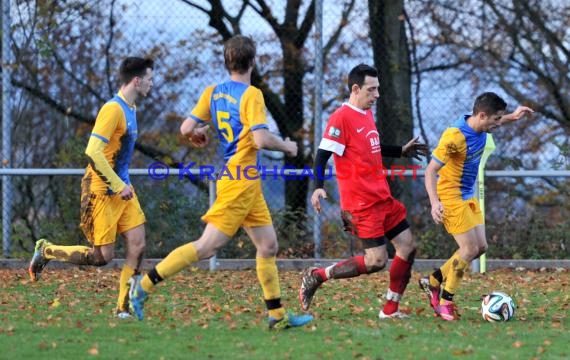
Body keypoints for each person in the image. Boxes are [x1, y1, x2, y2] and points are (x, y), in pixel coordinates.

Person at [128, 35, 313, 330]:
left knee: (268, 245)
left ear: (227, 63)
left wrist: (197, 133)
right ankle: (143, 286)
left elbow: (186, 127)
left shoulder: (213, 92)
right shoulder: (252, 95)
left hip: (245, 182)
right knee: (206, 248)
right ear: (253, 62)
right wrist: (288, 147)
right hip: (238, 181)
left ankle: (277, 316)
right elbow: (261, 139)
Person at [28, 57, 154, 319]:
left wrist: (122, 185)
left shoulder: (131, 109)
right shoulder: (113, 110)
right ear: (137, 80)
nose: (152, 84)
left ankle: (124, 306)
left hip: (122, 190)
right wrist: (118, 185)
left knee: (138, 244)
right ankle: (46, 251)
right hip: (101, 191)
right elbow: (93, 152)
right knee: (102, 257)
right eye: (150, 79)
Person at [299, 64, 428, 319]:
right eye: (372, 89)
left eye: (378, 88)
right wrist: (318, 189)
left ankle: (390, 310)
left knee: (408, 246)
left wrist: (399, 150)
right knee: (376, 261)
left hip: (381, 197)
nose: (377, 94)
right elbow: (321, 156)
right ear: (356, 89)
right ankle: (318, 276)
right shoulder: (341, 118)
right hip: (361, 204)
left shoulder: (366, 113)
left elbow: (372, 147)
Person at [420, 92, 533, 321]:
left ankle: (434, 280)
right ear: (482, 115)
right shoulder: (454, 137)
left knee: (480, 247)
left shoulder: (482, 126)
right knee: (468, 250)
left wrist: (514, 116)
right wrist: (434, 204)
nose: (497, 123)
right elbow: (430, 171)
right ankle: (446, 301)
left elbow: (497, 121)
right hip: (450, 196)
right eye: (496, 119)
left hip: (468, 195)